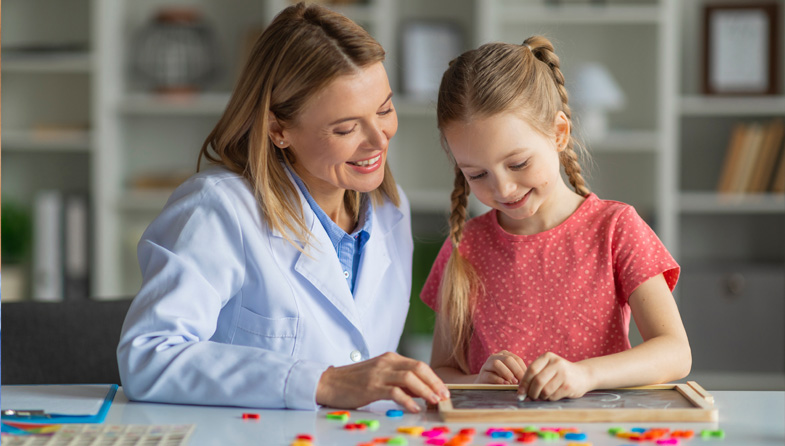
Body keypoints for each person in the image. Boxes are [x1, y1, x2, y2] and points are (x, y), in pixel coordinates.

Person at [117, 2, 449, 412]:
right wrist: (321, 383)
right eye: (345, 128)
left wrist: (468, 383)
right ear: (278, 129)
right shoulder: (218, 209)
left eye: (384, 109)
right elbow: (147, 357)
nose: (379, 140)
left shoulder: (390, 210)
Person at [421, 36, 691, 401]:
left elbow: (675, 352)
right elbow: (440, 373)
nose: (503, 189)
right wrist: (478, 381)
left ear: (559, 133)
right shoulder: (465, 246)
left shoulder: (616, 228)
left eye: (518, 164)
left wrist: (585, 374)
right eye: (477, 174)